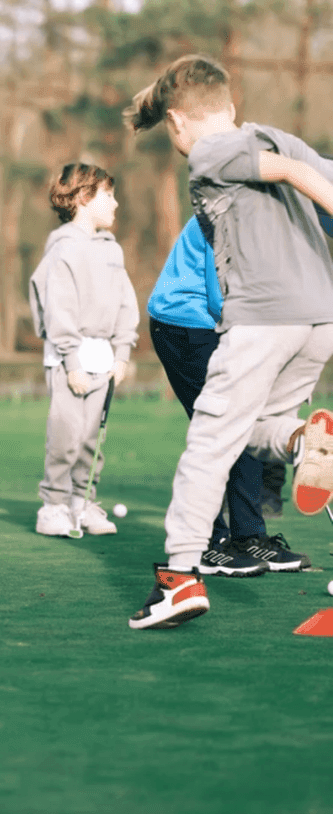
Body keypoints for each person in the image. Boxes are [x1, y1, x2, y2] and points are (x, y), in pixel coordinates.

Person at [125, 55, 333, 632]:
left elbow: (296, 177)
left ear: (178, 123)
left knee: (209, 444)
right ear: (231, 108)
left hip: (266, 317)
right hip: (319, 319)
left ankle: (180, 580)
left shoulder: (211, 150)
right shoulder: (275, 135)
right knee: (262, 428)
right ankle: (304, 438)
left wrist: (301, 180)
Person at [148, 214, 308, 576]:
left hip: (214, 324)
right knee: (225, 424)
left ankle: (249, 536)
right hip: (183, 323)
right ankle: (210, 544)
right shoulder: (227, 213)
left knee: (245, 421)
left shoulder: (270, 218)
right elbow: (225, 293)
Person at [29, 163, 138, 537]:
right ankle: (54, 507)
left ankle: (83, 501)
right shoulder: (63, 248)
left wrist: (122, 352)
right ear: (82, 198)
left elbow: (126, 303)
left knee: (93, 436)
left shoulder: (112, 249)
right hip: (67, 358)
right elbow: (58, 307)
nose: (116, 203)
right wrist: (71, 361)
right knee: (66, 434)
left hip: (103, 356)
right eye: (108, 195)